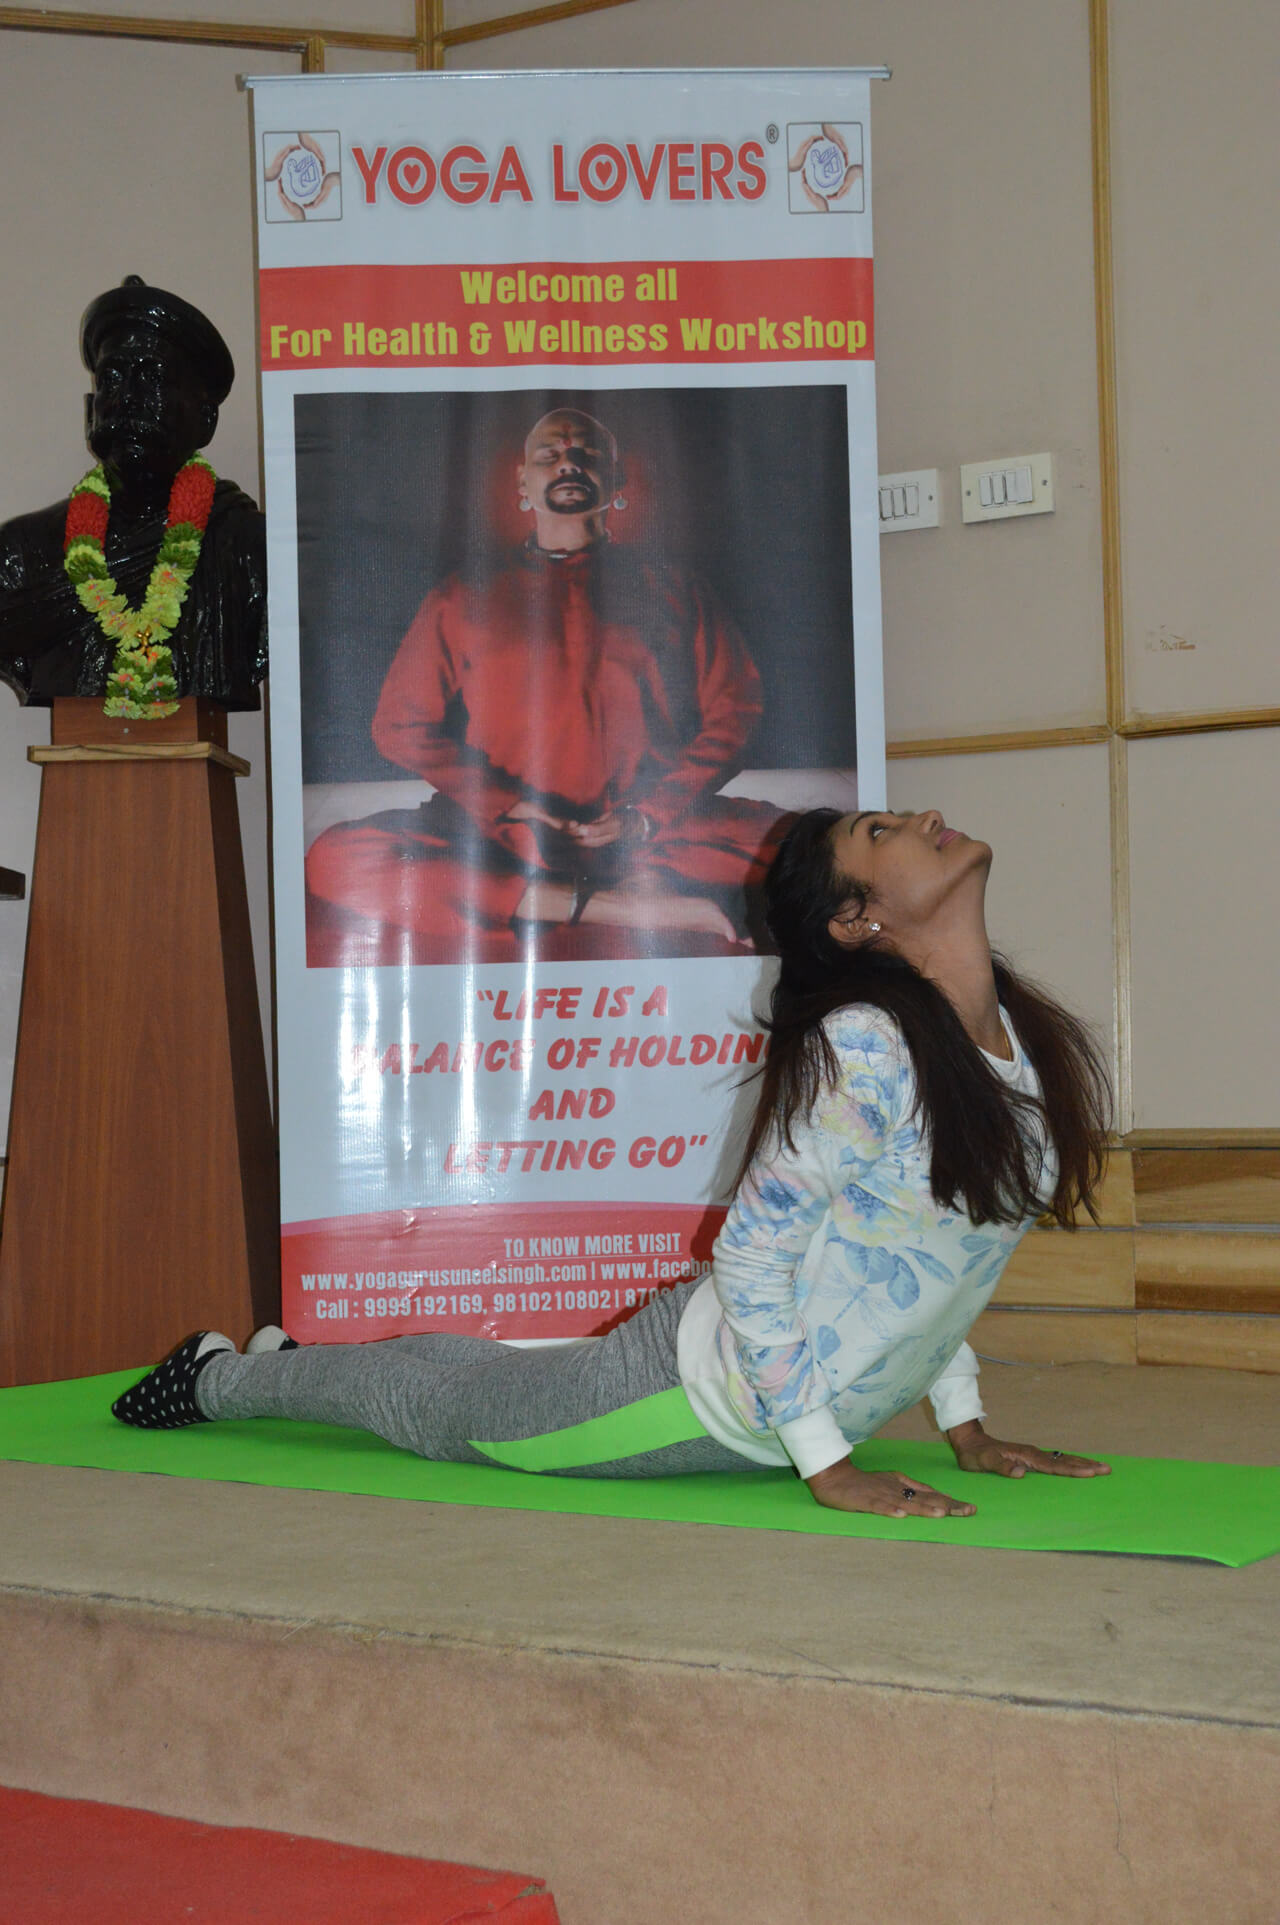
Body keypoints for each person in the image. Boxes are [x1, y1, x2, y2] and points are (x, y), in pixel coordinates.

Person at [114, 804, 1113, 1518]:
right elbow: (754, 1258)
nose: (925, 816)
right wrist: (827, 1466)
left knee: (483, 1377)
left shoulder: (1013, 1045)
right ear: (853, 920)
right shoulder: (864, 1047)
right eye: (883, 830)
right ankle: (216, 1378)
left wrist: (965, 1423)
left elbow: (937, 1260)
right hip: (693, 1397)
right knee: (440, 1412)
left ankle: (291, 1357)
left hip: (751, 1384)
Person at [304, 406, 784, 964]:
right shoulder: (464, 596)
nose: (568, 464)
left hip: (650, 832)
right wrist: (508, 806)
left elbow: (737, 711)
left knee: (796, 844)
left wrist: (648, 812)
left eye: (586, 454)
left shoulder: (677, 589)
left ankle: (590, 891)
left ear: (617, 480)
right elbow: (398, 726)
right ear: (522, 483)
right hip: (504, 837)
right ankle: (617, 906)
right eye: (550, 455)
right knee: (339, 857)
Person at [0, 276, 266, 710]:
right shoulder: (21, 554)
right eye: (112, 379)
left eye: (152, 379)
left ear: (206, 420)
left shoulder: (255, 550)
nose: (126, 398)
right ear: (90, 410)